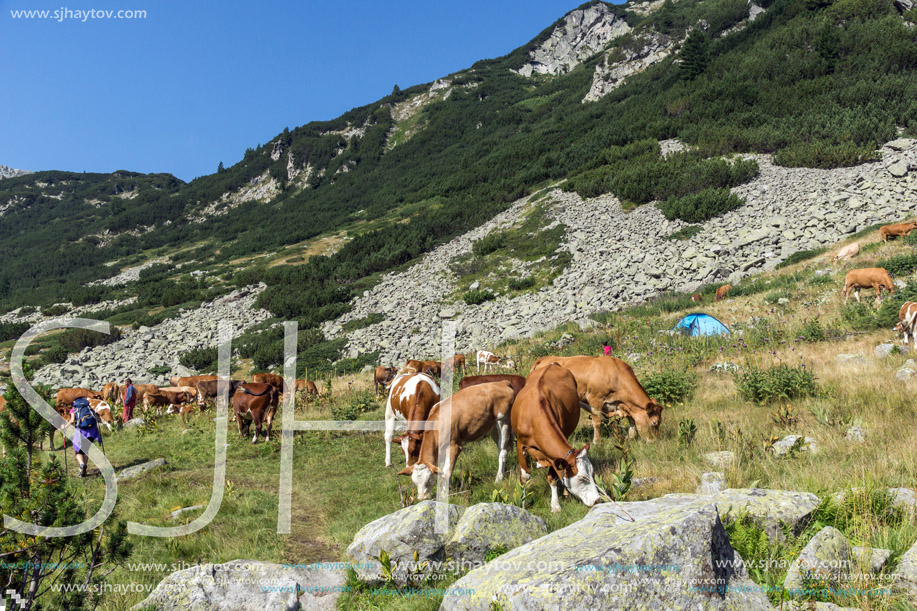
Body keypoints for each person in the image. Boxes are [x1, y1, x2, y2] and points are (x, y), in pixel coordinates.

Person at [68, 397, 101, 478]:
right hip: (92, 433)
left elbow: (72, 421)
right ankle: (84, 470)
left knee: (78, 451)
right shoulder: (89, 408)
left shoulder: (73, 409)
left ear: (74, 402)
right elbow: (98, 419)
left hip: (81, 433)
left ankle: (82, 464)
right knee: (86, 450)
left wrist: (64, 427)